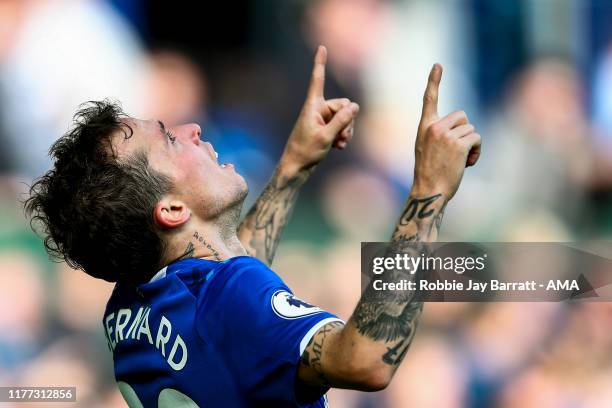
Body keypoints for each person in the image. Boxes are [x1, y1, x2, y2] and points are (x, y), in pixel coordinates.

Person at [25, 46, 481, 407]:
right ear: (171, 211)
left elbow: (226, 298)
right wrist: (428, 191)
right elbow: (366, 362)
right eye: (168, 139)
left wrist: (294, 166)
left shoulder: (127, 308)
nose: (193, 129)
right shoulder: (228, 294)